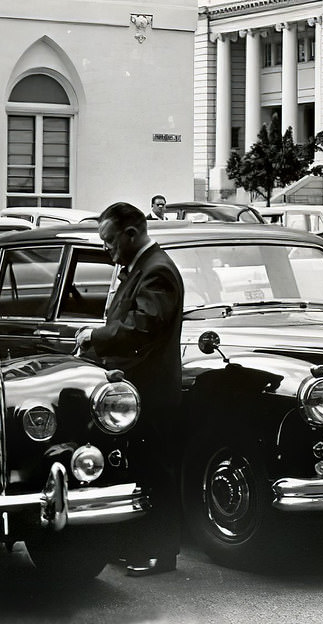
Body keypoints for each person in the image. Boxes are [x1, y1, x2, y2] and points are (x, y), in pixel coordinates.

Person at [75, 201, 184, 577]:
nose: (107, 249)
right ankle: (141, 545)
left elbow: (142, 327)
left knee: (157, 470)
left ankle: (161, 552)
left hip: (151, 391)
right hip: (137, 390)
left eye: (109, 241)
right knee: (140, 467)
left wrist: (96, 337)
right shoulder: (141, 269)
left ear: (131, 234)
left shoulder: (157, 272)